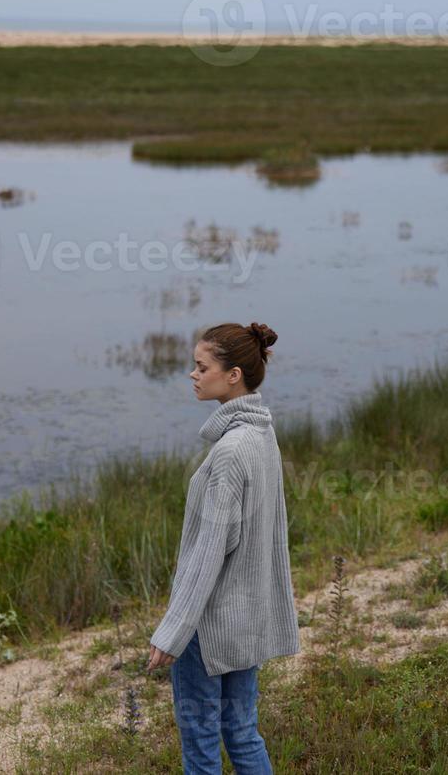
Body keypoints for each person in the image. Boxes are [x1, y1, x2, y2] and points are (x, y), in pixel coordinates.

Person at [146, 321, 300, 775]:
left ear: (233, 375)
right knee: (242, 732)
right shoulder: (262, 436)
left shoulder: (232, 451)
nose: (193, 375)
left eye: (201, 366)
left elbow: (209, 551)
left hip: (208, 626)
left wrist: (173, 631)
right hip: (247, 617)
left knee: (200, 746)